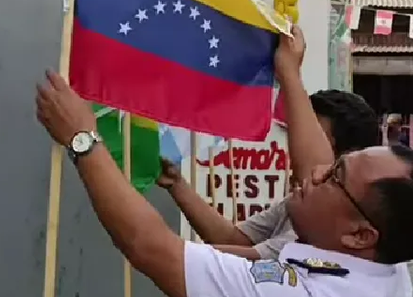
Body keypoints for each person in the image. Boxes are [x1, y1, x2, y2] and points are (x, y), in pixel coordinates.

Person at [36, 26, 413, 297]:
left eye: (334, 175)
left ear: (361, 235)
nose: (315, 170)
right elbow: (313, 171)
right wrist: (289, 74)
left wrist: (82, 138)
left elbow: (150, 247)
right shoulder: (382, 259)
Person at [156, 89, 380, 261]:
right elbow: (234, 240)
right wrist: (177, 184)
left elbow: (243, 259)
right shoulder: (303, 200)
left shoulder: (328, 228)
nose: (296, 145)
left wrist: (152, 244)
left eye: (313, 137)